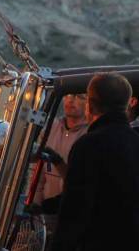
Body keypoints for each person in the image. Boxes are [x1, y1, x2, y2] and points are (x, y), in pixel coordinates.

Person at [52, 73, 139, 251]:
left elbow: (74, 210)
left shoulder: (88, 146)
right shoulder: (135, 142)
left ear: (89, 106)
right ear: (126, 105)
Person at [32, 94, 88, 241]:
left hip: (73, 218)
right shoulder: (50, 129)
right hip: (44, 214)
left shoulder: (91, 135)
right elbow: (37, 173)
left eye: (79, 97)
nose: (70, 100)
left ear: (90, 103)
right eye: (68, 96)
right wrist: (35, 206)